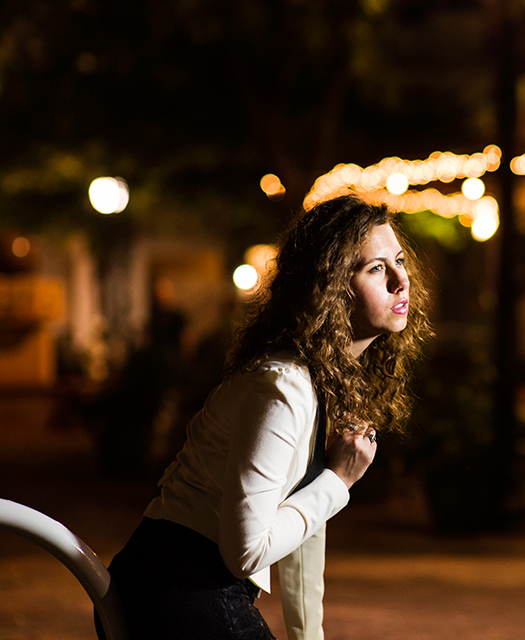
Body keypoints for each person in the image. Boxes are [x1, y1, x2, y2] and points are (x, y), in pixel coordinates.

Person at [96, 194, 431, 640]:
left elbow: (303, 535)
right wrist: (338, 481)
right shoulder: (283, 384)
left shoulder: (324, 381)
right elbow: (246, 551)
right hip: (172, 588)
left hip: (197, 588)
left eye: (399, 261)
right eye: (375, 269)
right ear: (330, 288)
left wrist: (308, 635)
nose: (400, 281)